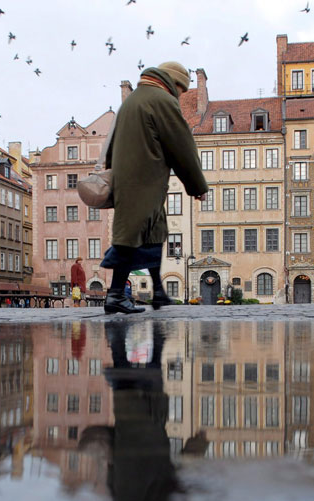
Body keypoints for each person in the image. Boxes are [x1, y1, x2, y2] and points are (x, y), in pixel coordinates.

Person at [101, 61, 208, 314]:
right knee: (130, 239)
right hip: (144, 180)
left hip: (130, 181)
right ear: (174, 83)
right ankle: (115, 294)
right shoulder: (162, 100)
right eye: (181, 90)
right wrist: (196, 185)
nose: (180, 95)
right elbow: (181, 146)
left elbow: (112, 144)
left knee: (153, 233)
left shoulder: (132, 100)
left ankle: (158, 293)